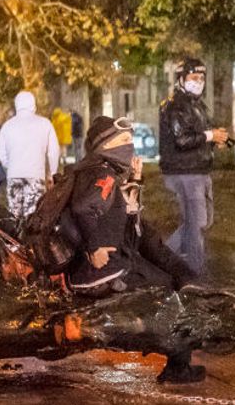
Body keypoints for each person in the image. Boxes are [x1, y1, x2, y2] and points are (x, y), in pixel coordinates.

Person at [65, 116, 214, 382]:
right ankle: (178, 366)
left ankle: (181, 357)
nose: (129, 146)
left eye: (130, 140)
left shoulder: (99, 169)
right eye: (123, 141)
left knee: (165, 268)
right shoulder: (103, 174)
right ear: (105, 145)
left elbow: (118, 214)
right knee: (168, 292)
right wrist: (94, 248)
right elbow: (83, 208)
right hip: (107, 270)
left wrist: (135, 180)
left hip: (114, 261)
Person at [158, 57, 229, 276]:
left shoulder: (197, 104)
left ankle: (160, 257)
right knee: (196, 224)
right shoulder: (176, 105)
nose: (198, 81)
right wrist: (210, 135)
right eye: (193, 77)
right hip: (184, 172)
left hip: (198, 169)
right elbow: (182, 140)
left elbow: (199, 136)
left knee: (200, 222)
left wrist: (216, 140)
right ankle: (194, 273)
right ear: (181, 78)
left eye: (201, 77)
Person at [0, 91, 61, 222]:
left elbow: (2, 154)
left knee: (15, 217)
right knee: (32, 218)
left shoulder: (7, 126)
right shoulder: (45, 124)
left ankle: (15, 240)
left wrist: (11, 166)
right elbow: (53, 151)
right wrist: (52, 173)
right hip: (35, 176)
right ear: (33, 105)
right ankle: (30, 242)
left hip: (14, 176)